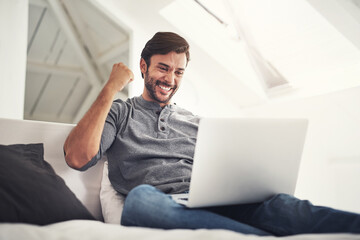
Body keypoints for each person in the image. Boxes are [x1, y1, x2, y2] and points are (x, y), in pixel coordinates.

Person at [64, 32, 360, 236]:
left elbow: (227, 171)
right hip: (160, 203)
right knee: (141, 201)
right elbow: (78, 157)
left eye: (179, 72)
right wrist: (111, 87)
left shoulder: (196, 121)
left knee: (283, 205)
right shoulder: (121, 112)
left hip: (213, 200)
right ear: (144, 66)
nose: (170, 79)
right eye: (163, 69)